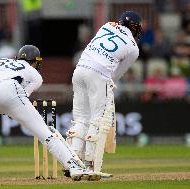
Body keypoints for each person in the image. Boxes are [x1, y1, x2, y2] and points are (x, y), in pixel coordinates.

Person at [0, 45, 98, 181]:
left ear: (17, 57)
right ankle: (74, 167)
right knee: (45, 133)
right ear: (36, 61)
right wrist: (17, 100)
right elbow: (38, 81)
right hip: (10, 91)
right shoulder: (30, 69)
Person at [66, 11, 142, 179]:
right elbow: (116, 74)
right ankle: (90, 166)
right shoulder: (133, 48)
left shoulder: (107, 25)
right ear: (135, 28)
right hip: (98, 75)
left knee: (80, 119)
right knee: (97, 120)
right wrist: (108, 85)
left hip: (79, 70)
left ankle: (72, 162)